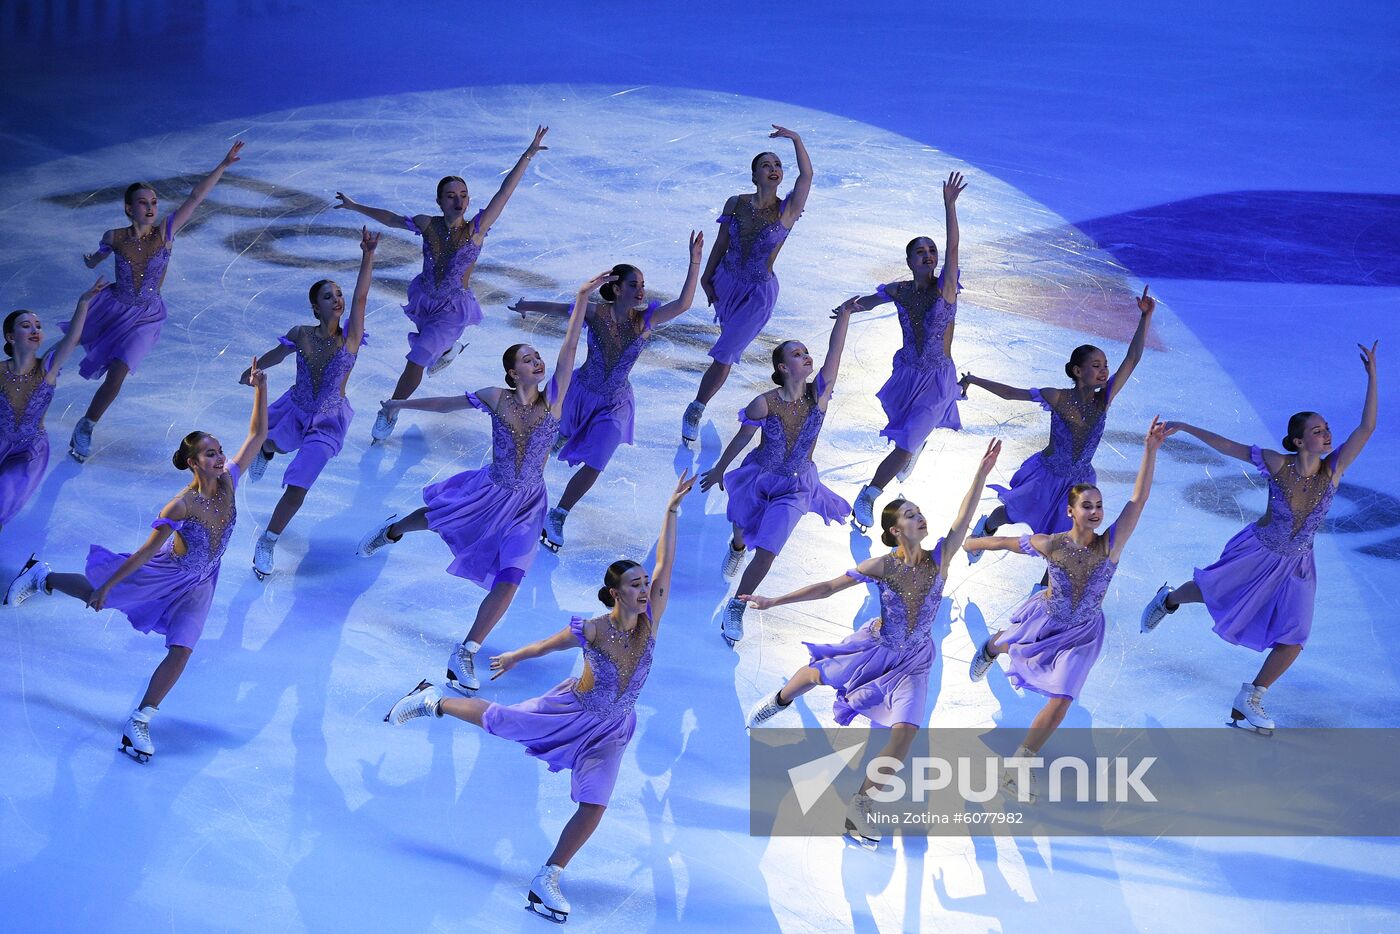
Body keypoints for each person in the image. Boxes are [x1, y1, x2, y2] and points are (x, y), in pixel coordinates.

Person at [383, 472, 694, 924]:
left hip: (613, 729)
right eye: (635, 584)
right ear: (614, 593)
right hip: (570, 712)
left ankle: (547, 876)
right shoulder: (593, 630)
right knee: (502, 722)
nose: (645, 589)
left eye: (645, 583)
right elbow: (551, 645)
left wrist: (670, 511)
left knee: (595, 804)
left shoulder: (651, 620)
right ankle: (433, 700)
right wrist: (514, 656)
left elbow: (666, 563)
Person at [4, 357, 269, 762]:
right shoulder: (180, 506)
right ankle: (45, 577)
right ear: (194, 462)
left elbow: (257, 434)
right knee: (98, 593)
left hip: (201, 583)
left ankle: (141, 719)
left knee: (182, 649)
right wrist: (109, 586)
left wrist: (260, 387)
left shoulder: (230, 482)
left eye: (219, 451)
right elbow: (146, 551)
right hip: (165, 573)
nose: (220, 458)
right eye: (210, 453)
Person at [742, 440, 1000, 844]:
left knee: (906, 732)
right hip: (877, 650)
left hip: (915, 661)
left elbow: (963, 519)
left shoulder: (940, 559)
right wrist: (775, 600)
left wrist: (981, 474)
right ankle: (779, 699)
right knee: (815, 675)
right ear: (896, 530)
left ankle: (860, 806)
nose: (920, 518)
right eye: (911, 515)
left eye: (920, 513)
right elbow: (828, 587)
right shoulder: (881, 565)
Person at [356, 273, 598, 693]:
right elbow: (447, 405)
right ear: (511, 371)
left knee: (511, 579)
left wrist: (580, 298)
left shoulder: (554, 399)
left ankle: (465, 650)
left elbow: (570, 348)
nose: (537, 362)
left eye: (538, 355)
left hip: (527, 505)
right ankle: (392, 529)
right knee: (436, 519)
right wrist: (400, 402)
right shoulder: (494, 397)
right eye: (527, 358)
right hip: (489, 491)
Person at [1139, 342, 1379, 734]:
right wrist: (1183, 426)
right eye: (1317, 431)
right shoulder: (1275, 462)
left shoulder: (1333, 470)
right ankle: (1167, 599)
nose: (1327, 434)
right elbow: (1227, 446)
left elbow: (1366, 428)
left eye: (1327, 429)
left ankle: (1250, 697)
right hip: (1259, 551)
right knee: (1210, 591)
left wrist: (1372, 378)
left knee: (1295, 637)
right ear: (1299, 441)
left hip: (1299, 564)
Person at [963, 419, 1166, 801]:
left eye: (1099, 506)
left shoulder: (1111, 544)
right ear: (1071, 511)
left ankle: (1022, 762)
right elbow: (1007, 541)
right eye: (1086, 506)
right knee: (1011, 645)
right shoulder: (1051, 543)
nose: (1095, 512)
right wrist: (974, 542)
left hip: (1083, 633)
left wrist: (1150, 451)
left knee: (1063, 696)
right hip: (1047, 618)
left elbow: (1137, 501)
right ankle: (991, 648)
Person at [334, 127, 549, 442]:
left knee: (418, 357)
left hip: (452, 307)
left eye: (463, 195)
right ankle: (447, 350)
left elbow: (504, 193)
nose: (458, 200)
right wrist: (356, 207)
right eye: (451, 196)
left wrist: (527, 155)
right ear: (439, 201)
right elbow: (392, 219)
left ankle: (391, 408)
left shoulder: (477, 228)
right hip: (425, 298)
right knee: (428, 347)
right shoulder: (427, 224)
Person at [508, 233, 703, 550]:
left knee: (597, 461)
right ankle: (522, 487)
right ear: (615, 288)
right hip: (580, 392)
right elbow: (562, 310)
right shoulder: (596, 313)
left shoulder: (646, 320)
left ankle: (559, 514)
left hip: (615, 404)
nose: (640, 290)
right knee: (549, 439)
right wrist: (527, 305)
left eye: (641, 285)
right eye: (633, 285)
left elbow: (683, 304)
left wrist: (694, 261)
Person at [68, 141, 246, 462]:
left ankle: (86, 425)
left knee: (118, 373)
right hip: (114, 308)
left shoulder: (166, 231)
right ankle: (62, 409)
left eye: (153, 202)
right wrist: (93, 261)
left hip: (147, 317)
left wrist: (222, 166)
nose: (150, 207)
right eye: (142, 203)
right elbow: (101, 254)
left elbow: (195, 198)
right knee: (70, 344)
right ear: (128, 208)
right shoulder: (115, 237)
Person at [700, 298, 860, 646]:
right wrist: (719, 469)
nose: (806, 356)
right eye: (797, 354)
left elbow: (836, 352)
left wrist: (843, 315)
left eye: (806, 352)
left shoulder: (819, 394)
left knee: (769, 548)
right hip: (759, 478)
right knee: (742, 530)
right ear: (783, 367)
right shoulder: (764, 402)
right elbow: (743, 438)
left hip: (797, 486)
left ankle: (737, 605)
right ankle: (737, 548)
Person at [958, 286, 1156, 551]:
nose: (1104, 371)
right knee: (1010, 514)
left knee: (1069, 539)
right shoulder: (1056, 397)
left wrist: (1145, 318)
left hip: (1079, 481)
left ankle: (1046, 586)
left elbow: (1131, 360)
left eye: (1105, 365)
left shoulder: (1103, 399)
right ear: (1077, 370)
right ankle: (986, 529)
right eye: (1096, 365)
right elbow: (1009, 394)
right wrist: (974, 379)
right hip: (1047, 476)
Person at [241, 228, 379, 579]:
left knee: (299, 484)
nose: (337, 300)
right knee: (274, 442)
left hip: (329, 421)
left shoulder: (351, 337)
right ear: (315, 306)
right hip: (296, 408)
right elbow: (276, 355)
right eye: (328, 296)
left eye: (339, 294)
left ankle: (268, 540)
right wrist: (254, 370)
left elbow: (362, 298)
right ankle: (267, 450)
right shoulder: (300, 334)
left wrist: (368, 255)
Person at [849, 171, 968, 531]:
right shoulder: (899, 290)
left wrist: (949, 206)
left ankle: (868, 494)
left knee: (905, 442)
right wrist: (849, 307)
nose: (929, 255)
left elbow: (954, 247)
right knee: (908, 433)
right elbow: (869, 302)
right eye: (921, 252)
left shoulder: (946, 288)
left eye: (932, 251)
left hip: (936, 378)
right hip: (906, 373)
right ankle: (914, 446)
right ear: (909, 261)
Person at [680, 126, 814, 445]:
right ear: (754, 175)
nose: (773, 169)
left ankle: (696, 408)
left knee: (726, 353)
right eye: (766, 165)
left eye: (777, 165)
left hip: (758, 293)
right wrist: (705, 275)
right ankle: (699, 404)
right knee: (727, 348)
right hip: (727, 281)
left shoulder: (788, 210)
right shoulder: (736, 203)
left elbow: (807, 177)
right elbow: (721, 242)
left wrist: (796, 139)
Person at [0, 277, 105, 528]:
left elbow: (71, 340)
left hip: (29, 451)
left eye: (38, 325)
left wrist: (83, 302)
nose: (35, 330)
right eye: (26, 326)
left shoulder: (47, 368)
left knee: (3, 498)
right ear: (11, 337)